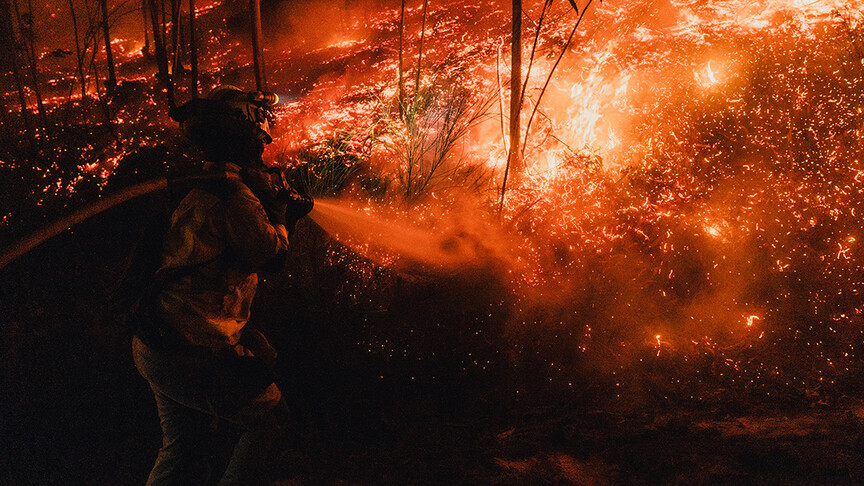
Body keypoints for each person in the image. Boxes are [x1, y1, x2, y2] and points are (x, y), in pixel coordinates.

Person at [131, 85, 312, 485]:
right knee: (270, 419)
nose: (264, 150)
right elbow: (273, 256)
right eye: (260, 141)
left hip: (155, 342)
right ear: (246, 138)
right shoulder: (234, 197)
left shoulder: (197, 183)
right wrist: (282, 212)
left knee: (182, 445)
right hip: (189, 350)